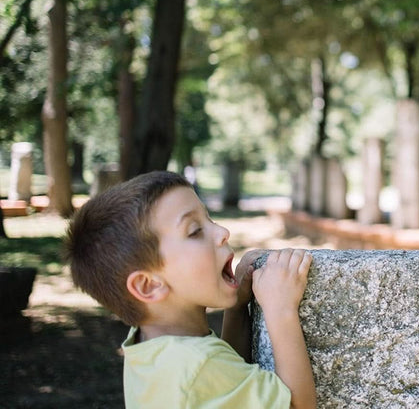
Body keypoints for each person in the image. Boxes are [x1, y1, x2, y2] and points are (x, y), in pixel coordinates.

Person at [64, 170, 316, 408]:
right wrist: (280, 309)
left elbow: (232, 380)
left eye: (209, 219)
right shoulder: (196, 365)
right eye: (195, 231)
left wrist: (239, 308)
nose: (222, 232)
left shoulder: (150, 346)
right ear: (148, 285)